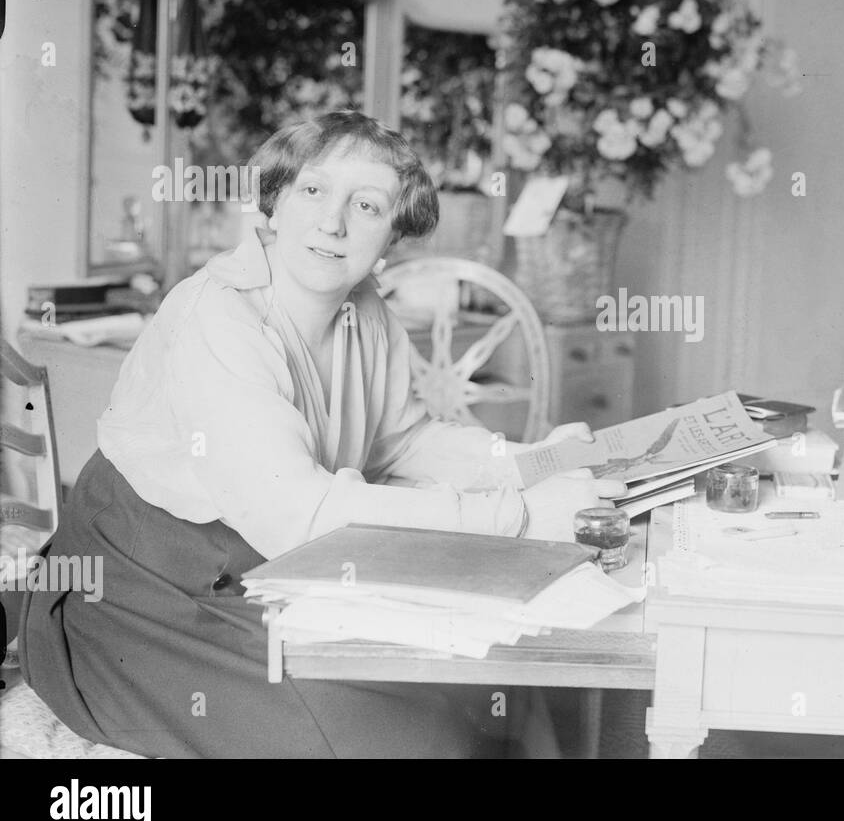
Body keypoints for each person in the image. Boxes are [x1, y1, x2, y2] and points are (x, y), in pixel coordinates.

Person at [19, 111, 624, 757]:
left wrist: (533, 460)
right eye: (313, 190)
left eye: (366, 205)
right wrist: (521, 516)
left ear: (392, 234)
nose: (332, 222)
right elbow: (300, 514)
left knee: (504, 680)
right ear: (275, 202)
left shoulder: (365, 309)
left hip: (272, 563)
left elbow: (405, 441)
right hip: (144, 587)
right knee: (422, 741)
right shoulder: (217, 315)